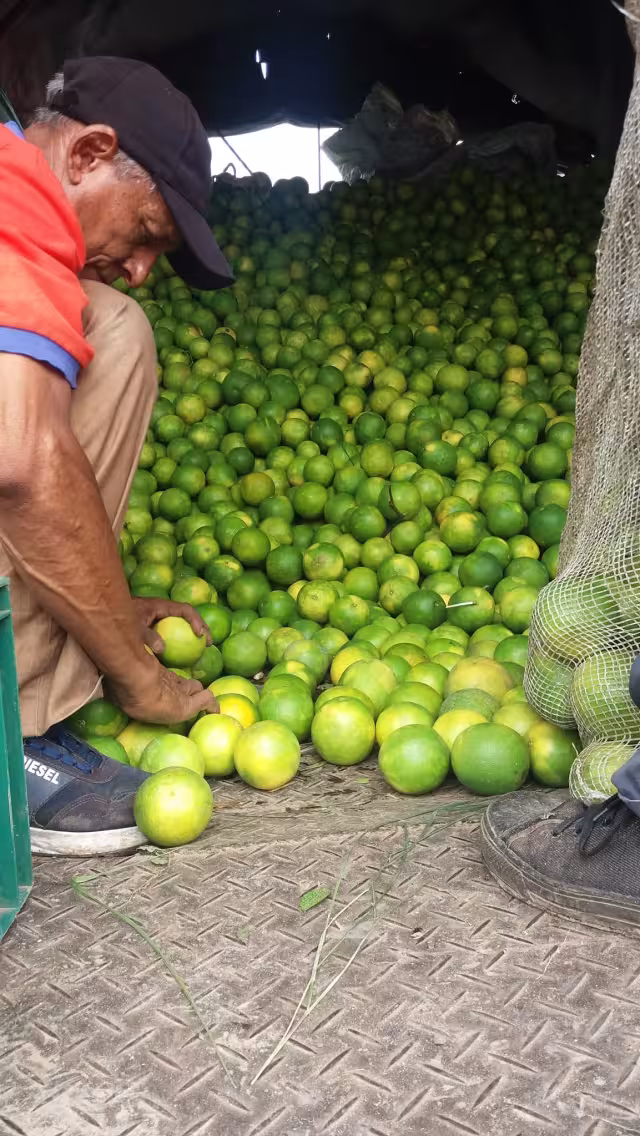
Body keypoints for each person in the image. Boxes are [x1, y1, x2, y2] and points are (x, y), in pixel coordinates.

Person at [0, 57, 232, 856]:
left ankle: (32, 674)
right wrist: (137, 675)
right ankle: (7, 744)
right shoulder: (11, 197)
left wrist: (102, 608)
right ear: (90, 153)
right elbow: (23, 466)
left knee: (112, 325)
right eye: (144, 234)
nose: (140, 267)